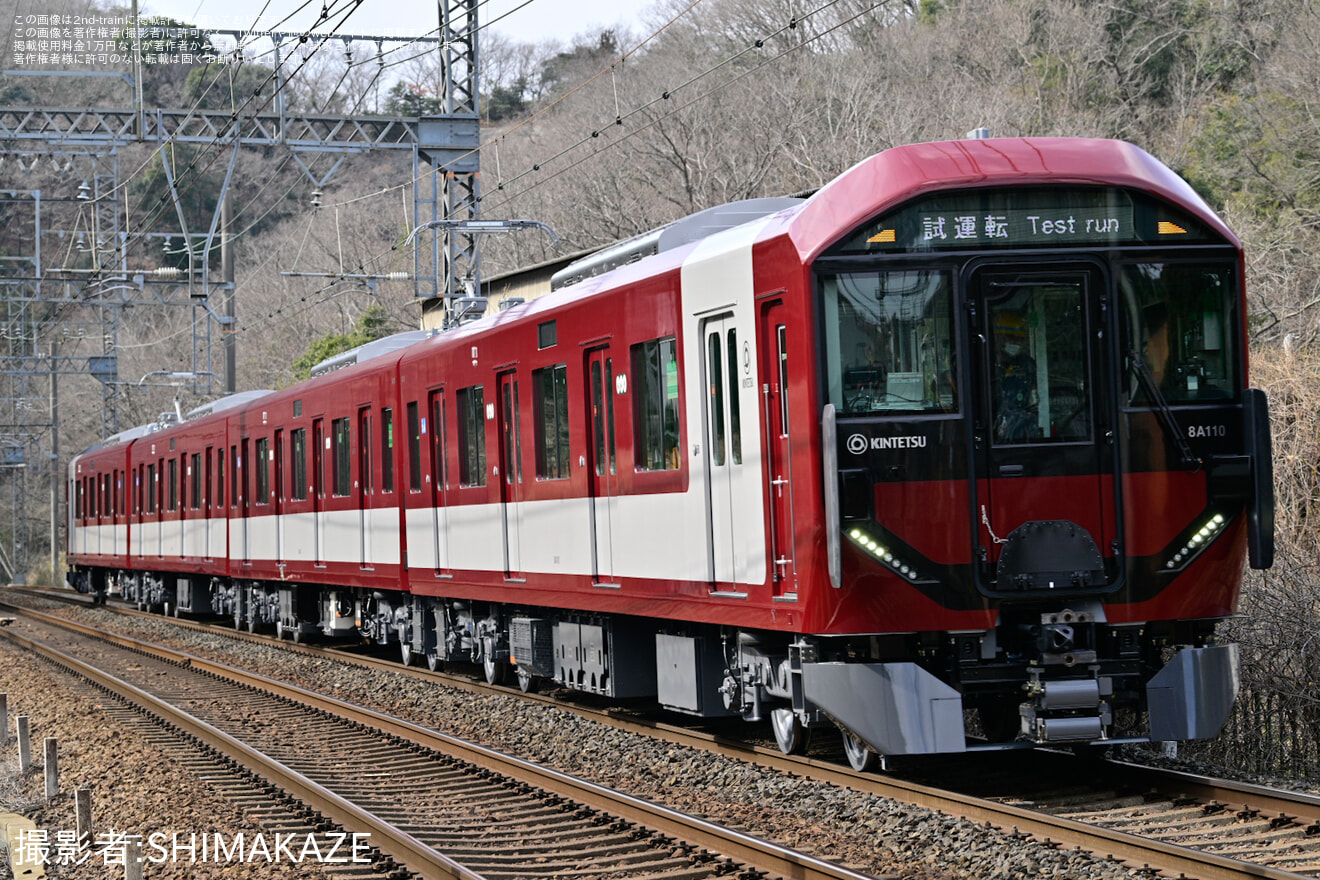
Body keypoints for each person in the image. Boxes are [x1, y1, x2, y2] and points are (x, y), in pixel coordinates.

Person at [993, 309, 1037, 442]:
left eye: (1020, 339)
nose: (1016, 343)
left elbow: (1034, 402)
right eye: (1011, 337)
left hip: (1020, 434)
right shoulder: (986, 364)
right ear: (998, 337)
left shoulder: (1027, 365)